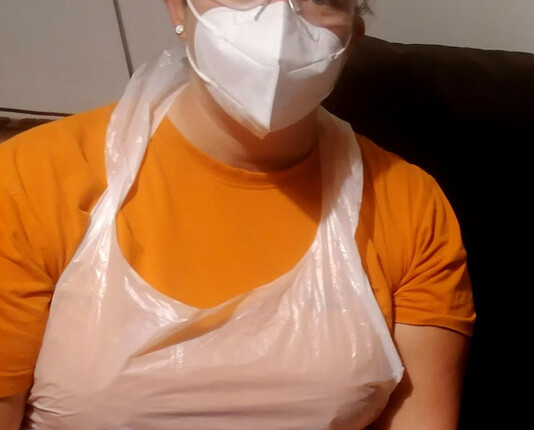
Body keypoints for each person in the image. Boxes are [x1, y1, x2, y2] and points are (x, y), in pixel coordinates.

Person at [0, 0, 473, 428]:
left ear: (350, 40)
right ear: (178, 9)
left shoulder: (409, 202)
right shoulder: (31, 178)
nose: (280, 22)